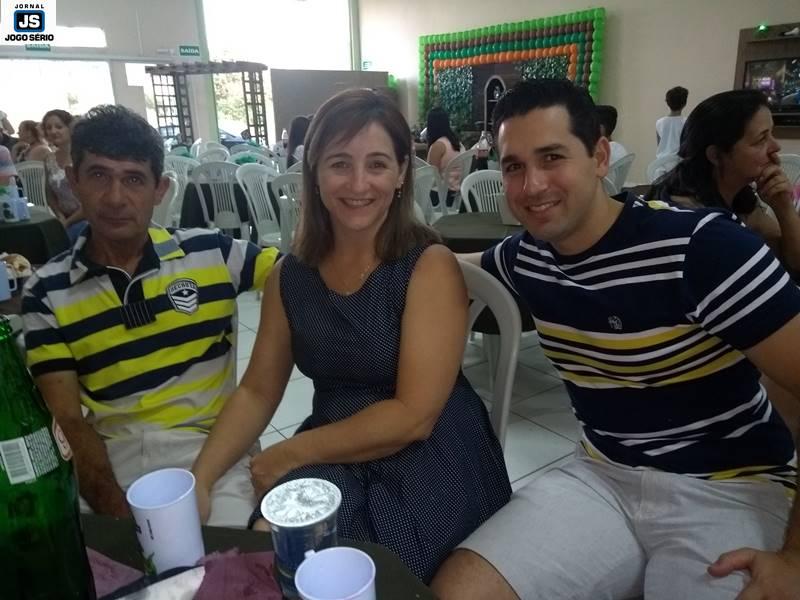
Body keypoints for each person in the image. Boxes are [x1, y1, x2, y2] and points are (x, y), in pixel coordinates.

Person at [431, 79, 800, 600]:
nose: (532, 185)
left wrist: (796, 559)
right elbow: (447, 269)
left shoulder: (703, 248)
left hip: (729, 486)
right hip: (602, 474)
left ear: (600, 156)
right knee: (457, 592)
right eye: (514, 166)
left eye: (552, 157)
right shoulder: (527, 256)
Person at [191, 88, 511, 582]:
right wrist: (201, 478)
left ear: (401, 173)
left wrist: (289, 452)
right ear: (314, 172)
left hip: (432, 455)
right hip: (337, 445)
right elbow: (257, 390)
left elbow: (413, 417)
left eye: (377, 164)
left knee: (378, 573)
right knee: (275, 552)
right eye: (340, 164)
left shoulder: (427, 266)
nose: (359, 183)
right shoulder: (289, 276)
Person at [22, 105, 280, 527]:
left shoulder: (214, 254)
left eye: (134, 179)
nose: (115, 197)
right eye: (99, 175)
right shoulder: (47, 292)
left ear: (159, 189)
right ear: (73, 180)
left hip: (211, 451)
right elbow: (67, 420)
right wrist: (120, 518)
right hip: (112, 459)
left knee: (236, 558)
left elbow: (299, 275)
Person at [649, 89, 800, 276]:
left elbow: (793, 260)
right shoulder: (696, 222)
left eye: (771, 134)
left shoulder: (739, 198)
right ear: (715, 155)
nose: (776, 147)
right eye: (761, 139)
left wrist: (783, 206)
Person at [41, 109, 85, 241]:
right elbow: (49, 194)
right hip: (63, 217)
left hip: (87, 216)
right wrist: (60, 216)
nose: (53, 131)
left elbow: (91, 199)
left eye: (59, 127)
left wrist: (67, 223)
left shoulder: (83, 156)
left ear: (69, 128)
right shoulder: (49, 159)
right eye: (49, 128)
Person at [425, 106, 464, 208]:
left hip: (440, 197)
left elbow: (431, 176)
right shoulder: (457, 144)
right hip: (456, 194)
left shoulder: (438, 146)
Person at [656, 85, 688, 158]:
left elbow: (659, 145)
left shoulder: (659, 122)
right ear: (684, 104)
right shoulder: (686, 122)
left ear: (667, 102)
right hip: (679, 162)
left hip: (661, 162)